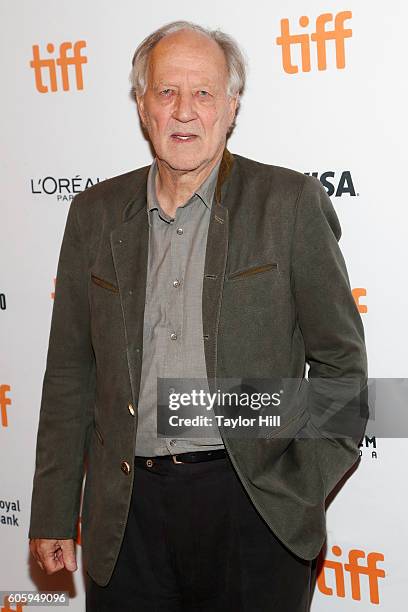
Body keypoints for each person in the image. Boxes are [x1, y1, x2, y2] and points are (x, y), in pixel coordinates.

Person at [29, 20, 368, 612]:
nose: (184, 110)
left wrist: (294, 488)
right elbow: (69, 375)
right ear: (142, 105)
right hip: (124, 520)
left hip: (253, 509)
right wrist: (54, 509)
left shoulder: (288, 204)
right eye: (166, 92)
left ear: (231, 106)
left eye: (204, 93)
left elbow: (341, 364)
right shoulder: (94, 214)